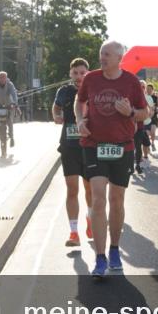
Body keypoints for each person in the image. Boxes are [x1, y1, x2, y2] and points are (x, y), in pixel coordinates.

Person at [75, 41, 150, 278]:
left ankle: (115, 248)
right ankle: (99, 257)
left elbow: (145, 112)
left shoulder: (130, 82)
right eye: (101, 54)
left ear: (119, 58)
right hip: (94, 144)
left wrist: (129, 113)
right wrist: (79, 120)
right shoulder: (91, 78)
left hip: (122, 146)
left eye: (107, 54)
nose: (102, 57)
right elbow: (80, 102)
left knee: (116, 199)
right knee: (98, 199)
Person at [52, 58, 93, 247]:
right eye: (75, 73)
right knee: (72, 190)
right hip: (69, 147)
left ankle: (91, 218)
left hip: (89, 147)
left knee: (90, 189)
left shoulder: (94, 91)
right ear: (70, 74)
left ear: (88, 73)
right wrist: (57, 116)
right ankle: (74, 232)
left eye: (82, 73)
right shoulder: (64, 91)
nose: (79, 77)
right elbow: (56, 107)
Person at [133, 80, 153, 175]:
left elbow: (149, 109)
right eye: (139, 86)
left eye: (143, 87)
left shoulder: (145, 98)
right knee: (136, 145)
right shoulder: (132, 96)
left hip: (142, 125)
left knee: (143, 144)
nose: (141, 88)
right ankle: (136, 164)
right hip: (132, 126)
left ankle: (139, 162)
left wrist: (148, 114)